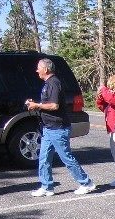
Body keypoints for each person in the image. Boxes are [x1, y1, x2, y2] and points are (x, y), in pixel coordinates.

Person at [26, 58, 94, 197]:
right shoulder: (47, 84)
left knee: (66, 158)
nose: (36, 70)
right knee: (44, 158)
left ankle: (86, 183)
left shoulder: (54, 83)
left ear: (46, 69)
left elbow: (54, 105)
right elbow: (48, 103)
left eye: (39, 68)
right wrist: (36, 103)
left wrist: (37, 106)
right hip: (48, 128)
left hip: (58, 128)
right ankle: (47, 186)